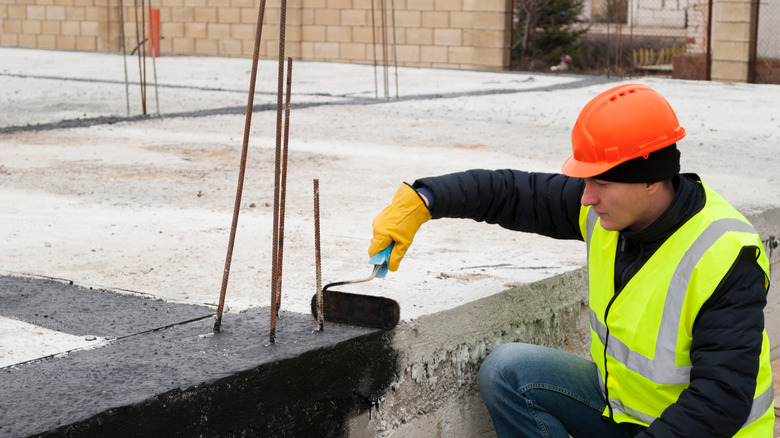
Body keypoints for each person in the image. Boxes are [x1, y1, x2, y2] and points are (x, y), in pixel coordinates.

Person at [368, 83, 773, 437]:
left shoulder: (725, 254)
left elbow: (720, 399)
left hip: (702, 432)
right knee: (508, 371)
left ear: (652, 180)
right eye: (586, 179)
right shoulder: (607, 211)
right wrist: (426, 200)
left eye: (601, 181)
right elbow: (511, 192)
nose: (586, 197)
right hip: (624, 412)